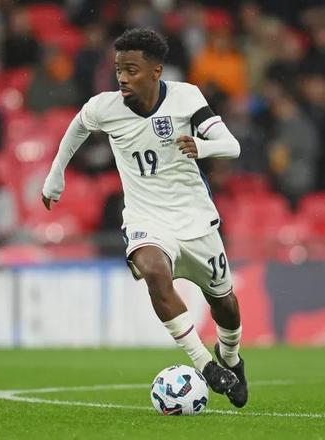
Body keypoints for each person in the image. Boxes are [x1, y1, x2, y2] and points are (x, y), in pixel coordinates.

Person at [41, 28, 247, 408]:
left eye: (131, 70)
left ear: (156, 71)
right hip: (145, 219)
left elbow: (231, 146)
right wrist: (56, 175)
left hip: (195, 219)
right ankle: (205, 364)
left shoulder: (186, 97)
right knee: (153, 270)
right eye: (119, 69)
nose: (122, 77)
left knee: (225, 305)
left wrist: (201, 146)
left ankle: (231, 358)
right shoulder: (105, 107)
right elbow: (78, 126)